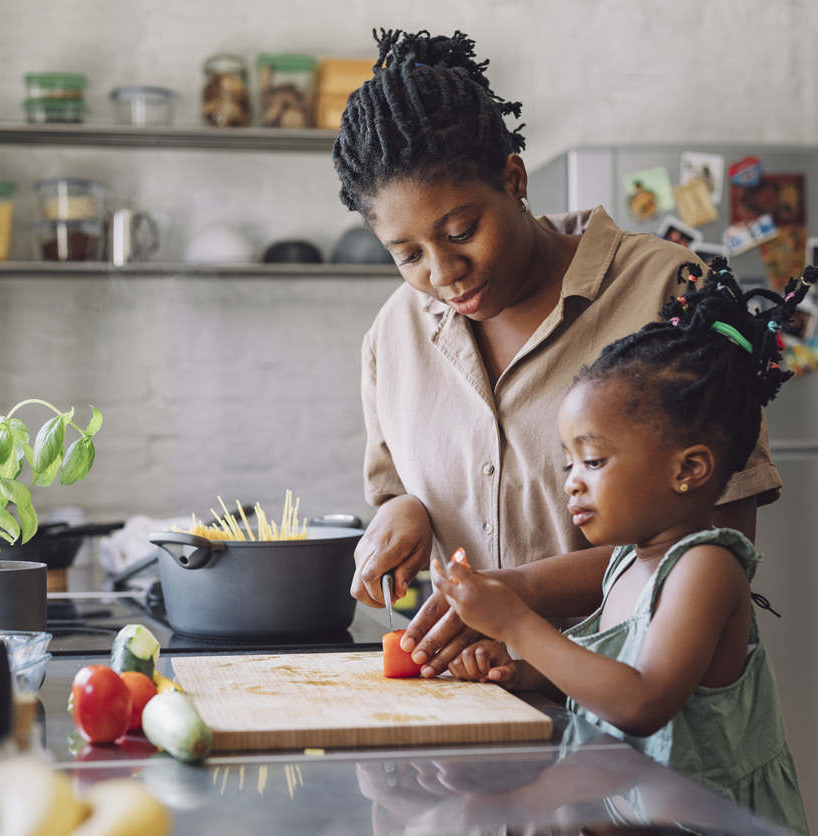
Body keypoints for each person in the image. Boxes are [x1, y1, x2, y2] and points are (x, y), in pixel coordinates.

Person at [332, 28, 782, 677]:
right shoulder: (394, 333)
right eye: (407, 255)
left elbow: (723, 541)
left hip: (647, 721)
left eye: (461, 231)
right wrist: (404, 514)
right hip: (468, 706)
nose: (444, 271)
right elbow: (398, 489)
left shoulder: (668, 291)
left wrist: (519, 594)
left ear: (514, 178)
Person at [432, 259, 815, 834]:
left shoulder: (706, 568)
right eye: (568, 463)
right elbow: (609, 677)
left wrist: (516, 624)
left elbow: (642, 703)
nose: (572, 481)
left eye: (594, 460)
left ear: (689, 469)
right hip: (635, 810)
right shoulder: (624, 564)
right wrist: (523, 670)